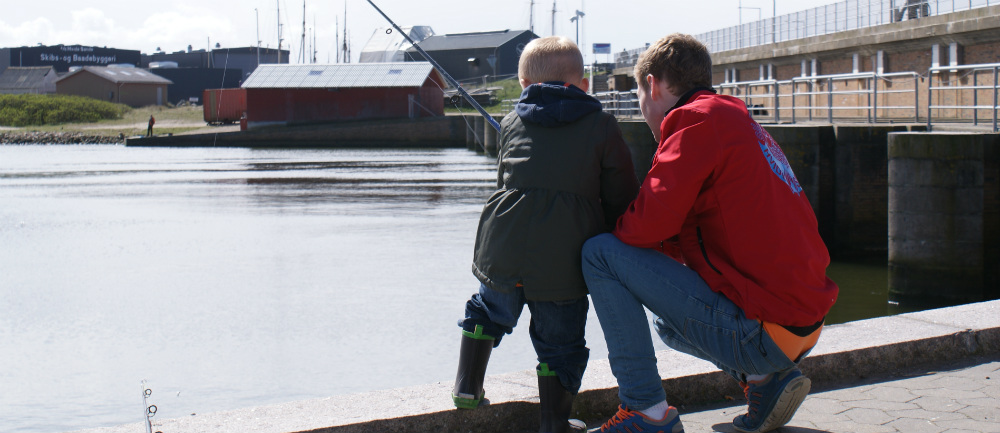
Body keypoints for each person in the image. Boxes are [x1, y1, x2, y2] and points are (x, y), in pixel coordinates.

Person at [581, 33, 839, 433]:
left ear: (653, 84)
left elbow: (647, 226)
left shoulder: (694, 120)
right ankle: (765, 381)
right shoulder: (733, 119)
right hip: (802, 324)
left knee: (599, 253)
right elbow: (678, 234)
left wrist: (607, 221)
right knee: (667, 324)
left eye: (639, 95)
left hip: (766, 330)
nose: (643, 108)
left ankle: (645, 411)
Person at [452, 36, 639, 433]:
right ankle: (554, 420)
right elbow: (621, 193)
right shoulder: (602, 124)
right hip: (563, 258)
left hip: (502, 247)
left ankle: (467, 386)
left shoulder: (511, 121)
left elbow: (507, 177)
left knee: (489, 310)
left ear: (523, 84)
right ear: (583, 84)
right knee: (561, 341)